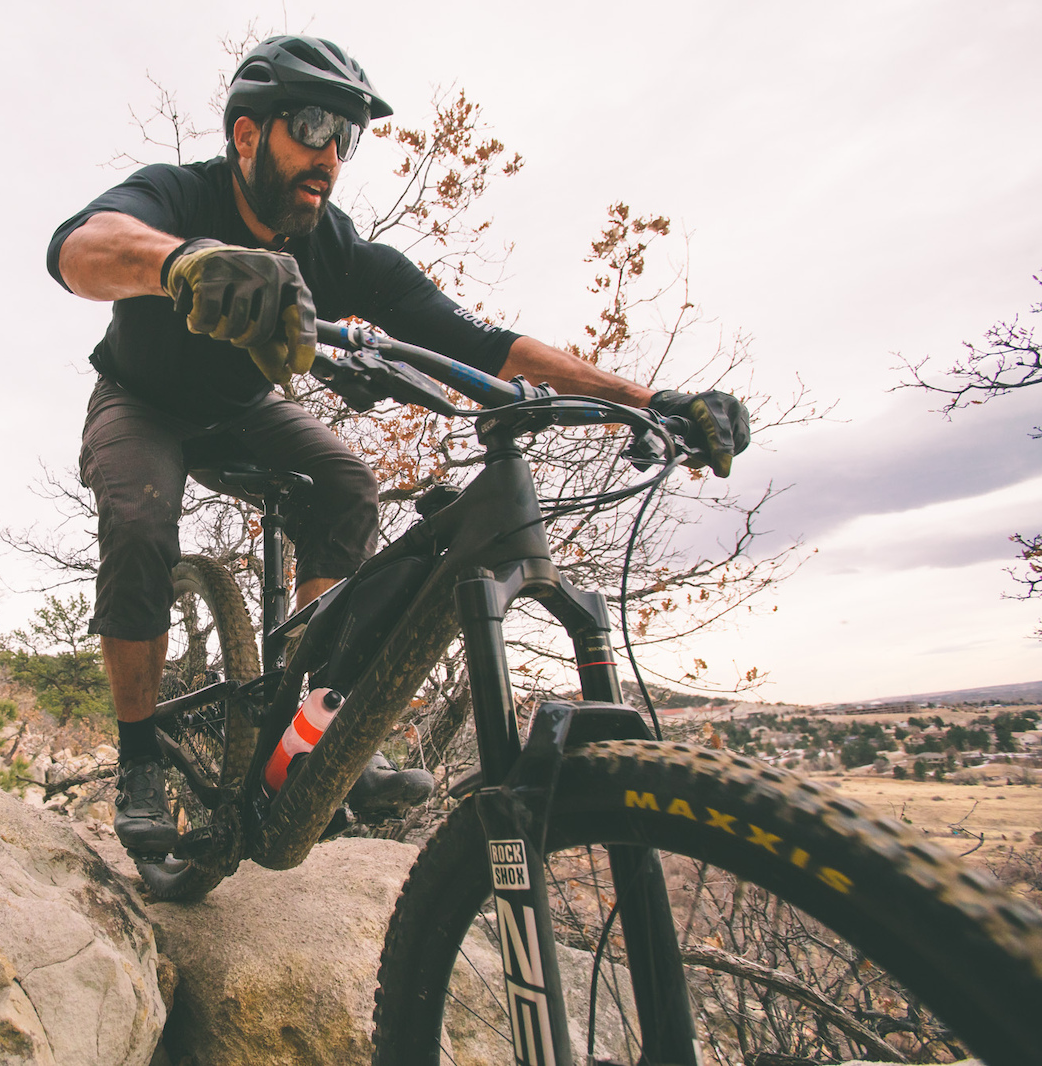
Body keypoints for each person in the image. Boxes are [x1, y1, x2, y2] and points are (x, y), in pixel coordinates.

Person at [46, 35, 749, 854]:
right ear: (246, 135)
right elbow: (77, 249)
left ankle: (319, 723)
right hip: (141, 400)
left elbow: (487, 344)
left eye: (347, 136)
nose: (331, 155)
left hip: (240, 411)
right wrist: (186, 262)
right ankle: (138, 759)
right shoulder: (178, 194)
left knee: (347, 482)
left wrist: (649, 399)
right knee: (139, 523)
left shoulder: (333, 247)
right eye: (313, 126)